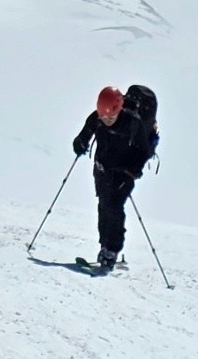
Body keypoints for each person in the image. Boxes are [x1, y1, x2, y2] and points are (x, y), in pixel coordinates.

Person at [71, 85, 158, 269]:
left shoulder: (133, 121)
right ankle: (105, 246)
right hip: (102, 168)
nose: (107, 120)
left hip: (125, 171)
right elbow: (82, 137)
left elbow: (143, 150)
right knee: (104, 204)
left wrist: (133, 171)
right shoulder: (97, 118)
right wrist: (79, 144)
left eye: (111, 117)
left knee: (114, 205)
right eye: (103, 116)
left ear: (119, 109)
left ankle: (112, 249)